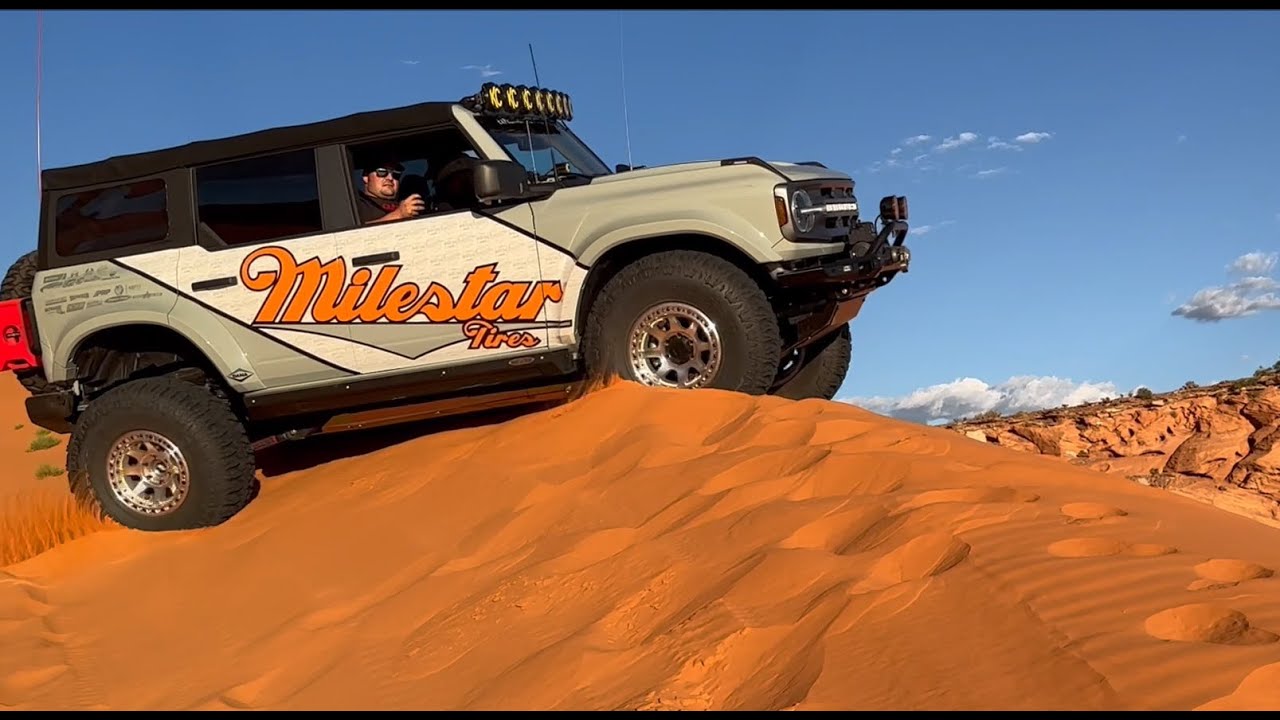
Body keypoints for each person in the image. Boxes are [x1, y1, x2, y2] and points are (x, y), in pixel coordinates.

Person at [356, 159, 425, 224]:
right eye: (382, 172)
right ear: (366, 177)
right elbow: (353, 232)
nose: (390, 178)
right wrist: (399, 215)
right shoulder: (356, 205)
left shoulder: (408, 203)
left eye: (396, 174)